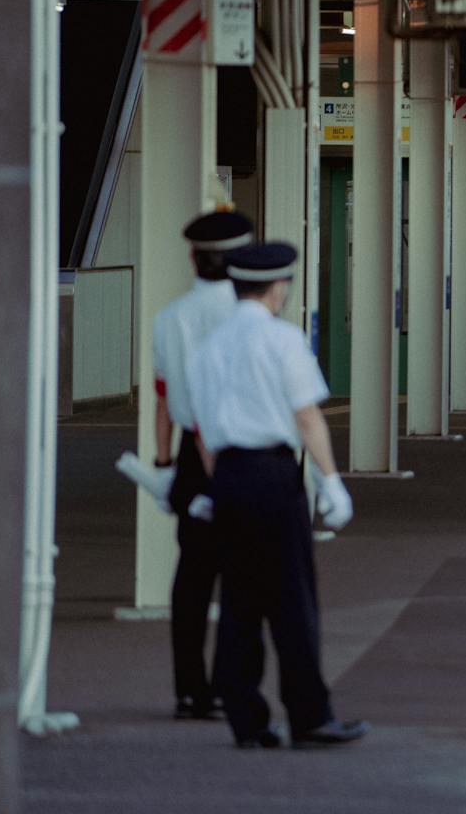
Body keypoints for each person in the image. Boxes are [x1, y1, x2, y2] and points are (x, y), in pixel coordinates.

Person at [187, 241, 368, 750]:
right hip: (272, 475)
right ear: (278, 286)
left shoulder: (207, 348)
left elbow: (201, 431)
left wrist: (213, 487)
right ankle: (310, 716)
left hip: (228, 477)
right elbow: (306, 416)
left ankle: (247, 719)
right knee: (291, 599)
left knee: (240, 600)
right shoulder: (284, 341)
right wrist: (331, 481)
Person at [151, 210, 254, 720]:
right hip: (243, 453)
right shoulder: (249, 315)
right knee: (241, 578)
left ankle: (188, 690)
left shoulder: (169, 317)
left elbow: (163, 395)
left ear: (192, 258)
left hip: (192, 454)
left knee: (192, 576)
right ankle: (227, 687)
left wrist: (163, 462)